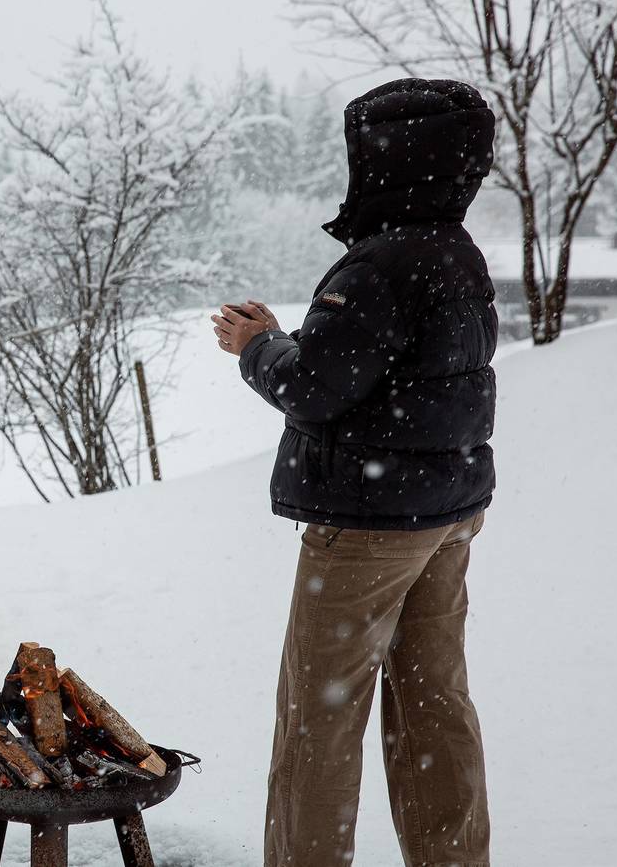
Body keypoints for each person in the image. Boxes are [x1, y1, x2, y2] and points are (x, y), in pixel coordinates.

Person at [210, 77, 499, 867]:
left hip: (370, 529)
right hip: (446, 514)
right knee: (435, 707)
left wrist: (259, 344)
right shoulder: (454, 250)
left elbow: (313, 389)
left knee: (318, 722)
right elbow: (399, 377)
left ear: (385, 162)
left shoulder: (379, 266)